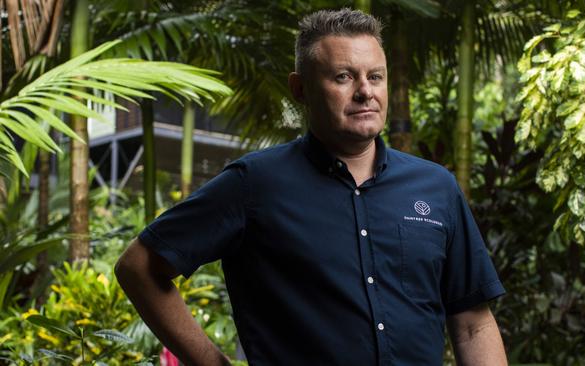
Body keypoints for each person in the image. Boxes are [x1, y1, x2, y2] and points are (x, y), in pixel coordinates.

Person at [115, 8, 508, 366]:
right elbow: (140, 267)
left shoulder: (435, 187)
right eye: (343, 76)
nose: (365, 91)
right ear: (300, 88)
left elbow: (473, 323)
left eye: (375, 76)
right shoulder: (254, 184)